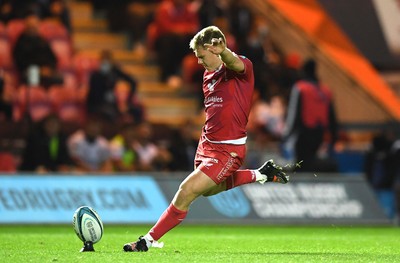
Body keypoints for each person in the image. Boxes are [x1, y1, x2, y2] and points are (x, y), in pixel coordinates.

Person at [123, 26, 289, 252]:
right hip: (206, 145)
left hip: (228, 150)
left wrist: (225, 53)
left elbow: (234, 63)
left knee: (187, 189)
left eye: (202, 56)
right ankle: (261, 174)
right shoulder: (207, 75)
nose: (199, 62)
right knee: (209, 190)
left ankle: (147, 241)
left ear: (215, 49)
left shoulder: (241, 68)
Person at [282, 58, 338, 171]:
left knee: (300, 166)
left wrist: (286, 135)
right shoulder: (325, 91)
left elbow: (293, 113)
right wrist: (333, 138)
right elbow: (332, 117)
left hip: (304, 134)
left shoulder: (300, 88)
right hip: (320, 135)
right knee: (314, 167)